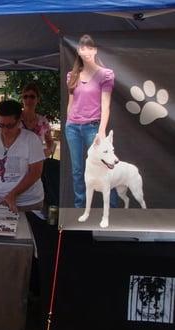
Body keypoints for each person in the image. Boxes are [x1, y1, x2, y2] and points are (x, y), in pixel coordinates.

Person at [66, 34, 115, 208]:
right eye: (82, 48)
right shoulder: (72, 75)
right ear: (78, 51)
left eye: (89, 47)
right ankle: (80, 208)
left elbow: (106, 105)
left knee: (105, 167)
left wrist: (101, 131)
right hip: (72, 127)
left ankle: (113, 210)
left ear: (95, 50)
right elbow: (71, 103)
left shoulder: (106, 74)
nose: (85, 51)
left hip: (93, 127)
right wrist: (68, 121)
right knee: (78, 170)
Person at [0, 100, 44, 213]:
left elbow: (35, 172)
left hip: (28, 203)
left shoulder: (31, 140)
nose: (5, 130)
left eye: (10, 126)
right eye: (1, 125)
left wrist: (12, 195)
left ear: (19, 121)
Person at [20, 83, 54, 158]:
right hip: (18, 162)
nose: (28, 99)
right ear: (22, 99)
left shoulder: (43, 121)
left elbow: (50, 141)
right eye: (25, 97)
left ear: (38, 99)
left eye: (32, 96)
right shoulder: (15, 119)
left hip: (37, 161)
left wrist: (49, 150)